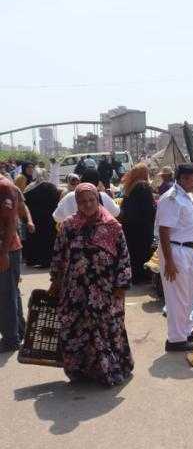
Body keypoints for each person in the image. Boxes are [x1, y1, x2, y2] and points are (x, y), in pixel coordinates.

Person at [48, 183, 134, 385]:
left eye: (91, 200)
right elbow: (58, 254)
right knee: (76, 329)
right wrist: (55, 280)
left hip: (106, 291)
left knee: (106, 330)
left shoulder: (112, 226)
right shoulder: (69, 225)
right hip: (74, 291)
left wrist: (121, 284)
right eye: (82, 201)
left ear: (98, 200)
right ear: (76, 203)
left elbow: (123, 257)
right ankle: (81, 373)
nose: (87, 205)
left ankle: (108, 372)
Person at [156, 162, 193, 352]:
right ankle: (176, 339)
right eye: (192, 179)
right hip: (175, 250)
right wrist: (169, 261)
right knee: (177, 296)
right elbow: (164, 231)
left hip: (189, 250)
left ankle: (186, 330)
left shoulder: (187, 196)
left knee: (189, 294)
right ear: (182, 178)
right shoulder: (172, 198)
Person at [0, 176, 30, 352]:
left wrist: (4, 253)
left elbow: (12, 222)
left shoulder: (4, 187)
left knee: (6, 295)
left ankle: (11, 339)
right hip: (6, 249)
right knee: (10, 292)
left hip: (7, 249)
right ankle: (18, 331)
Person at [119, 163, 156, 284]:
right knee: (143, 250)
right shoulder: (143, 186)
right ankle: (142, 276)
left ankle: (134, 276)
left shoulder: (130, 186)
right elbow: (148, 209)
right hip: (142, 226)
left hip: (130, 226)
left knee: (133, 251)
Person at [23, 170, 61, 268]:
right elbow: (57, 202)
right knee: (47, 240)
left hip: (35, 219)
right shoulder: (52, 187)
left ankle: (32, 260)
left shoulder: (29, 188)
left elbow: (25, 204)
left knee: (34, 239)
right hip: (49, 220)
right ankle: (46, 261)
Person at [53, 169, 120, 223]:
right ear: (97, 183)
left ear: (81, 180)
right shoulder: (103, 196)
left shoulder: (69, 197)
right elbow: (116, 212)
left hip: (74, 238)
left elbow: (57, 217)